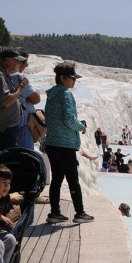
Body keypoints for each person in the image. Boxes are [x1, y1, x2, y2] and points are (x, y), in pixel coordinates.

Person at [44, 61, 93, 224]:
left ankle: (54, 213)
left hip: (51, 143)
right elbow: (69, 119)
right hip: (65, 144)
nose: (74, 81)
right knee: (73, 180)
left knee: (57, 179)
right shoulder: (65, 94)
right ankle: (80, 213)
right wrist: (82, 126)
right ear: (62, 78)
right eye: (72, 78)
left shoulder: (51, 94)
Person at [0, 49, 28, 150]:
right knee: (7, 162)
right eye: (17, 60)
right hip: (4, 129)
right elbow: (7, 101)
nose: (19, 63)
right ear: (7, 60)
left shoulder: (3, 75)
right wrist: (21, 88)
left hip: (7, 128)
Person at [9, 49, 40, 149]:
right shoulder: (19, 77)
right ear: (20, 62)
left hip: (8, 125)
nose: (26, 66)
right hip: (23, 125)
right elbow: (36, 99)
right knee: (26, 157)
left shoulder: (2, 75)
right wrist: (29, 98)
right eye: (26, 63)